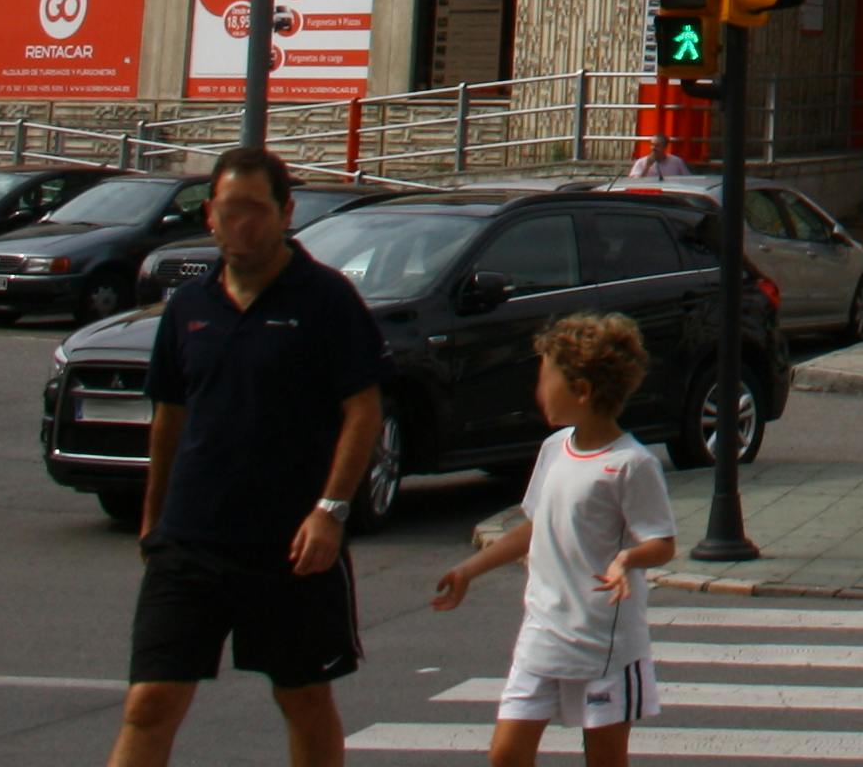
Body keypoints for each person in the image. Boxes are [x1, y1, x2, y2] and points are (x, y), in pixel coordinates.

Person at [111, 145, 388, 767]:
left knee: (303, 697)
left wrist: (331, 510)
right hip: (191, 541)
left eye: (257, 210)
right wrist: (154, 521)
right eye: (229, 210)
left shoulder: (325, 298)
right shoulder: (189, 306)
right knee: (150, 702)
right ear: (209, 214)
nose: (242, 225)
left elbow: (363, 410)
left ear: (285, 213)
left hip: (290, 546)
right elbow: (170, 419)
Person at [431, 313, 679, 763]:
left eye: (545, 379)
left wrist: (626, 559)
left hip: (603, 644)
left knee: (604, 759)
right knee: (506, 755)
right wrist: (469, 569)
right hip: (543, 633)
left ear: (581, 390)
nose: (537, 390)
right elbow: (536, 525)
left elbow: (662, 543)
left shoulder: (631, 464)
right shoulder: (554, 449)